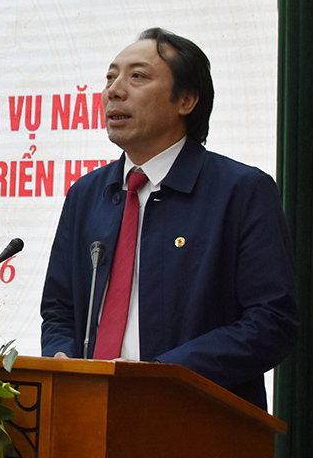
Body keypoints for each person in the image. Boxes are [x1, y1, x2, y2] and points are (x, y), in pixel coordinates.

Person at [40, 28, 299, 410]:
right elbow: (59, 308)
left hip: (192, 415)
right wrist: (60, 356)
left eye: (137, 76)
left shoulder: (241, 191)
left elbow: (272, 321)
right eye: (110, 77)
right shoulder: (87, 194)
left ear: (187, 100)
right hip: (89, 409)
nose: (114, 91)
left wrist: (166, 374)